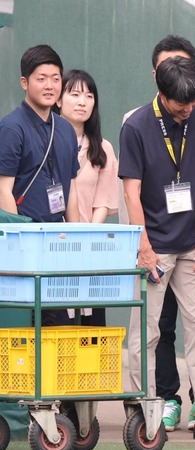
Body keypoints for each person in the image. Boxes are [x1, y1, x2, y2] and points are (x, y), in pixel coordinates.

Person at [119, 55, 195, 440]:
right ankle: (143, 408)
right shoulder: (136, 125)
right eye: (179, 104)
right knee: (147, 331)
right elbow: (130, 191)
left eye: (192, 102)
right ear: (161, 93)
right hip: (153, 244)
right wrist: (143, 245)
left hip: (193, 243)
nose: (187, 110)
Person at [0, 44, 80, 326]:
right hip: (25, 247)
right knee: (22, 328)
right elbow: (3, 191)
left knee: (58, 328)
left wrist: (75, 237)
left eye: (56, 78)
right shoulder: (12, 128)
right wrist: (18, 245)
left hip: (57, 244)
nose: (50, 85)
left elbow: (70, 190)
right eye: (41, 78)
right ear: (25, 82)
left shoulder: (67, 129)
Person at [55, 69, 118, 326]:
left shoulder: (103, 148)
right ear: (59, 100)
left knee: (92, 328)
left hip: (89, 248)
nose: (82, 101)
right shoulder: (45, 142)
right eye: (75, 94)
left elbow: (103, 200)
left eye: (89, 96)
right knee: (57, 323)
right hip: (54, 244)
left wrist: (86, 238)